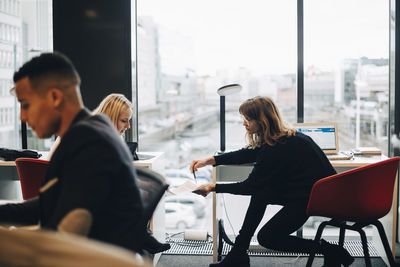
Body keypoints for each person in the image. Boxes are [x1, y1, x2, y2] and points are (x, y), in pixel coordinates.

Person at [0, 52, 145, 253]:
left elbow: (67, 235)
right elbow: (47, 206)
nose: (22, 117)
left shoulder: (90, 145)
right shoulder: (88, 132)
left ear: (54, 97)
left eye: (26, 105)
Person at [190, 96, 354, 267]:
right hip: (309, 193)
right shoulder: (285, 138)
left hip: (315, 199)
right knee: (261, 193)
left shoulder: (277, 147)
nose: (244, 123)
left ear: (262, 121)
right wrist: (209, 160)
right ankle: (238, 253)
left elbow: (249, 186)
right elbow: (247, 154)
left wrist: (213, 187)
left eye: (248, 119)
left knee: (267, 237)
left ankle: (329, 251)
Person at [92, 93, 170, 254]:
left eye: (129, 121)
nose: (128, 126)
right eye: (123, 120)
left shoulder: (107, 135)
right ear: (110, 117)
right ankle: (142, 236)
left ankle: (142, 236)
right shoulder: (96, 138)